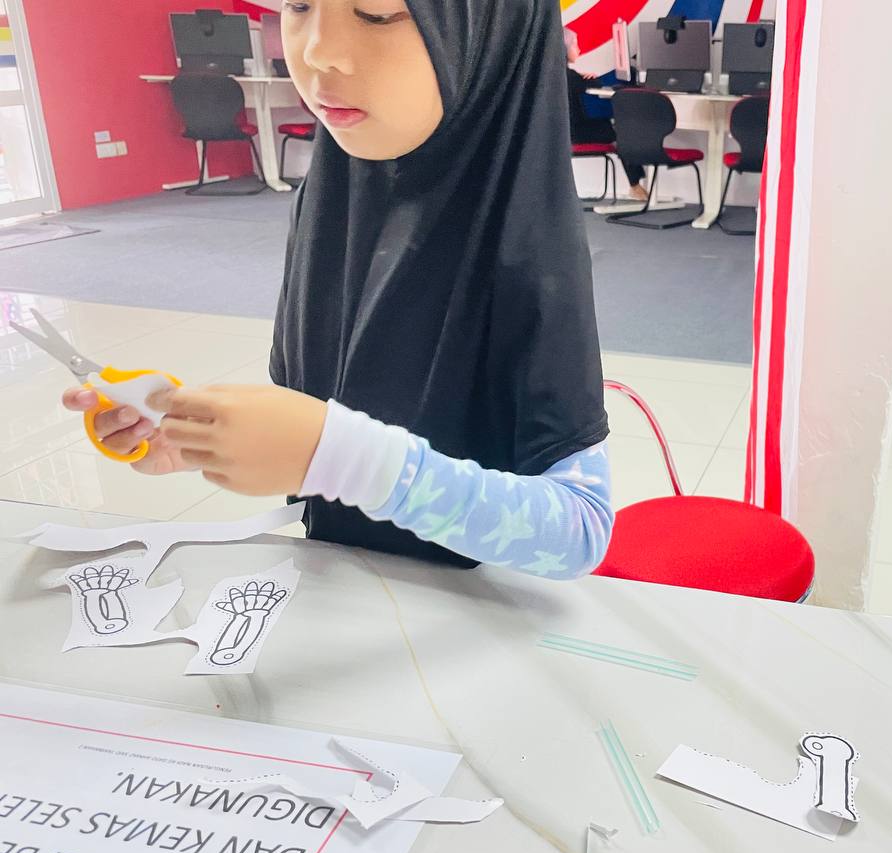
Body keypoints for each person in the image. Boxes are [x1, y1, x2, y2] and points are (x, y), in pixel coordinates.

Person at [60, 0, 614, 581]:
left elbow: (578, 532)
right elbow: (323, 408)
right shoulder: (329, 200)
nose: (317, 51)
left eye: (375, 14)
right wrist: (199, 435)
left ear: (484, 32)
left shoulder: (526, 239)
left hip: (468, 605)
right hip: (343, 588)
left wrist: (346, 461)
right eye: (299, 5)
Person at [564, 28, 648, 202]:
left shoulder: (560, 75)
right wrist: (589, 78)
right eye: (575, 45)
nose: (579, 49)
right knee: (621, 133)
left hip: (566, 132)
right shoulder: (571, 77)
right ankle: (635, 185)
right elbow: (595, 84)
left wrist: (581, 76)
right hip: (576, 133)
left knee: (616, 130)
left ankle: (636, 185)